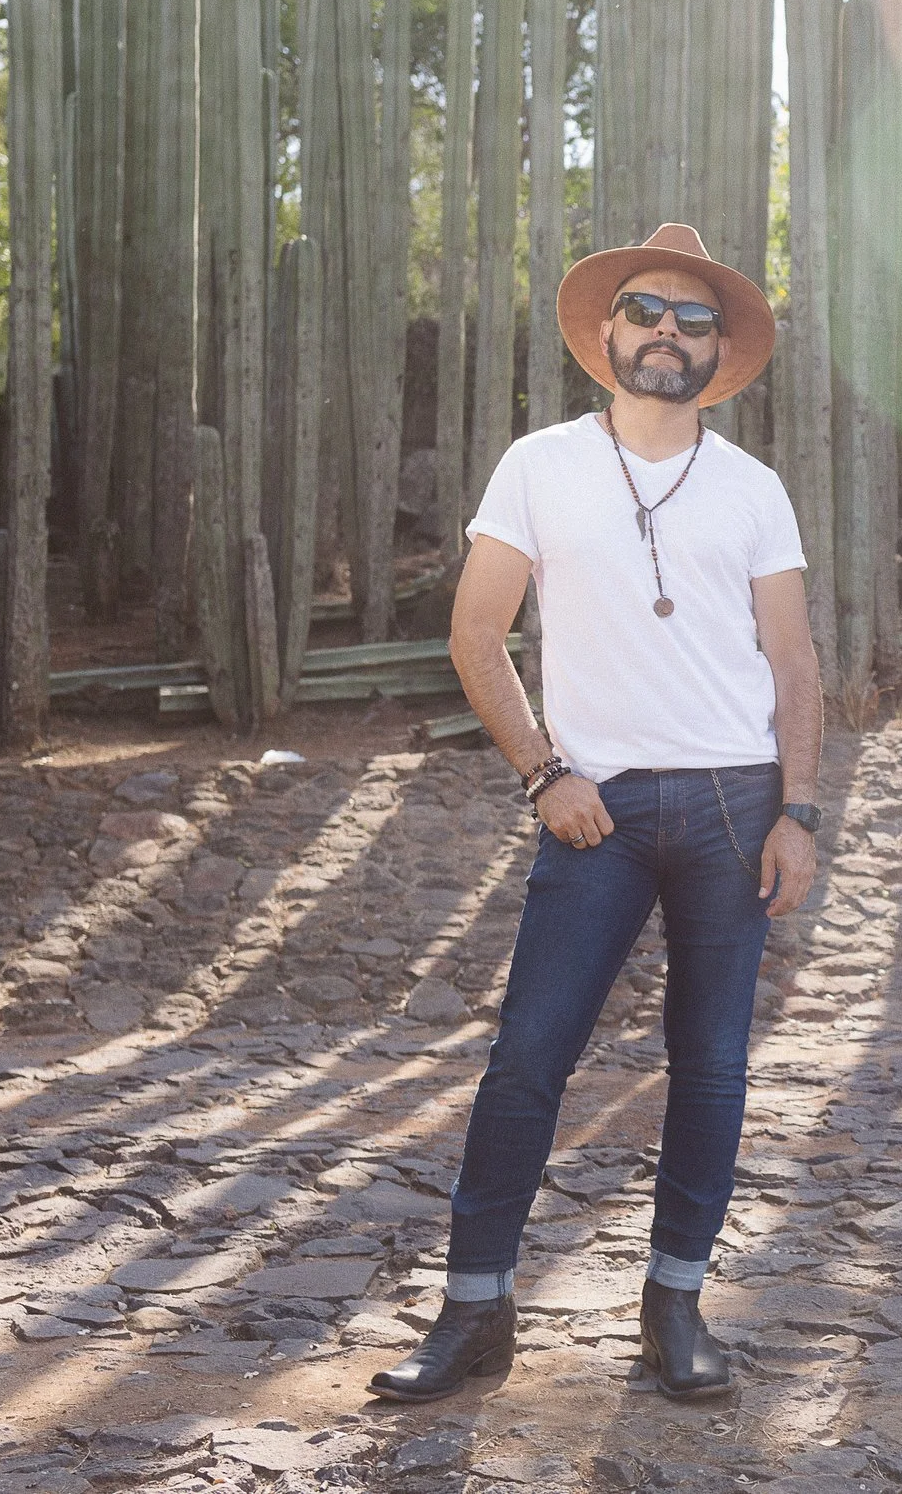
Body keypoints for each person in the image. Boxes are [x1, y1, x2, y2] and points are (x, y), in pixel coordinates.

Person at [370, 224, 823, 1405]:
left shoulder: (754, 489)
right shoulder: (538, 464)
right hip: (595, 812)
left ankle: (674, 1306)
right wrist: (541, 769)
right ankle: (474, 1308)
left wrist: (803, 811)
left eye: (691, 317)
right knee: (527, 1057)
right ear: (606, 333)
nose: (666, 332)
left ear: (719, 349)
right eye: (645, 310)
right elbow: (476, 634)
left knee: (711, 1067)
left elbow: (794, 659)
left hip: (735, 808)